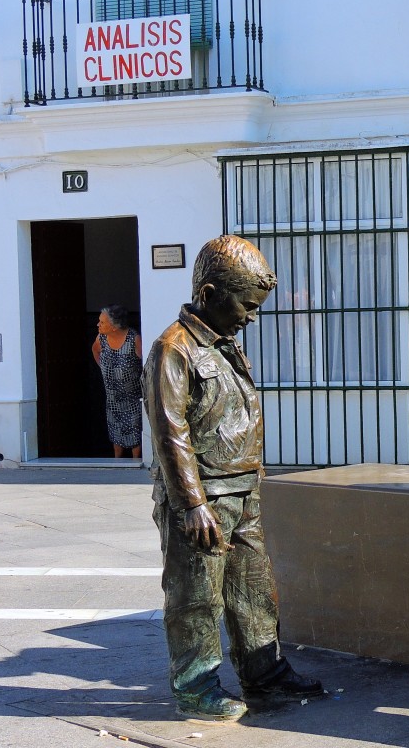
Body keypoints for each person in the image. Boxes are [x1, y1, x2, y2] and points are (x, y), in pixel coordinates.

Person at [142, 235, 321, 721]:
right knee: (196, 598)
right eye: (246, 305)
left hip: (242, 491)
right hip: (203, 498)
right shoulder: (172, 349)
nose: (251, 316)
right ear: (208, 294)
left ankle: (265, 675)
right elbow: (169, 432)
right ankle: (196, 685)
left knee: (254, 592)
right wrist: (192, 503)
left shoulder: (224, 346)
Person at [91, 304, 143, 459]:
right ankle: (117, 460)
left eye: (102, 322)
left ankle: (136, 461)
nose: (98, 325)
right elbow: (95, 350)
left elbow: (145, 362)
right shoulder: (101, 339)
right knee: (115, 428)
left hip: (132, 397)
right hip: (112, 397)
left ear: (114, 327)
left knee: (134, 429)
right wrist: (103, 368)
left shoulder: (134, 339)